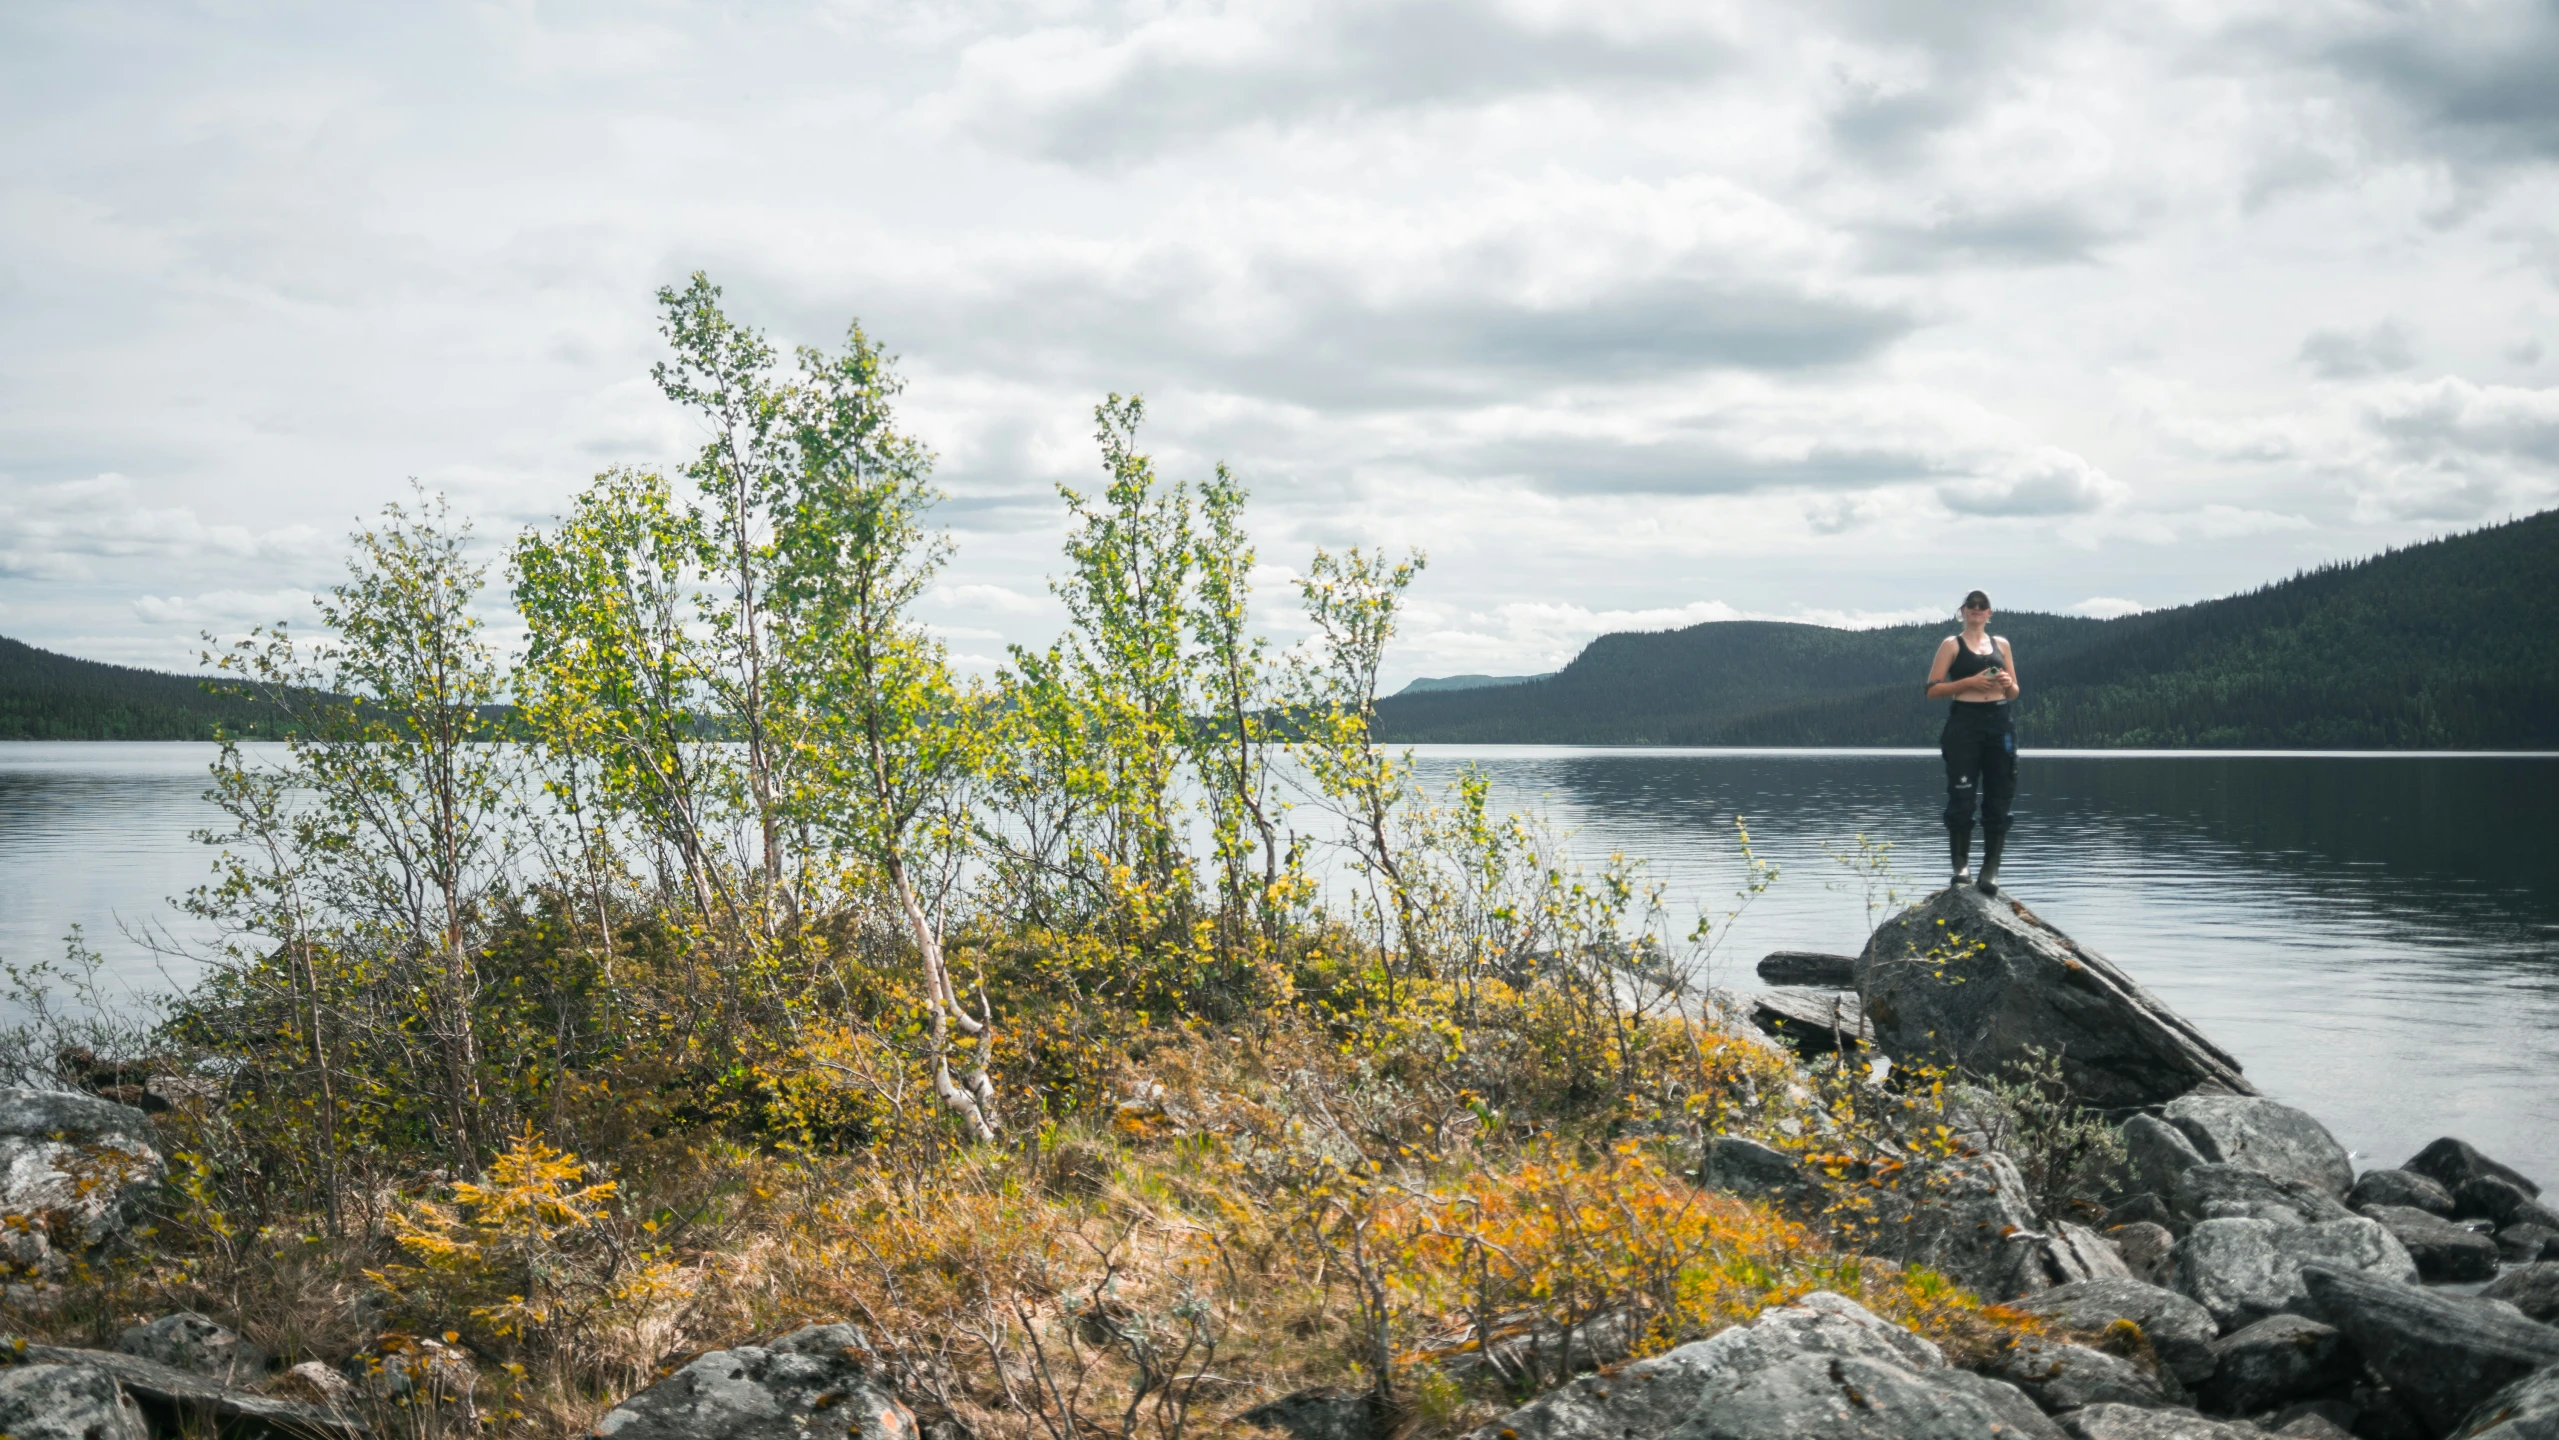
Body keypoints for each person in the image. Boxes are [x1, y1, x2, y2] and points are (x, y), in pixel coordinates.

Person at [1924, 590, 2020, 894]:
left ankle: (1990, 868)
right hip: (1965, 722)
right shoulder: (1951, 644)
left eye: (1983, 606)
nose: (1977, 609)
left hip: (1999, 721)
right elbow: (1932, 689)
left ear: (1990, 613)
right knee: (1962, 794)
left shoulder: (2001, 644)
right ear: (1962, 611)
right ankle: (1960, 865)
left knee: (2000, 794)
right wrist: (1969, 683)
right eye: (1972, 605)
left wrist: (2006, 684)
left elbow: (2015, 691)